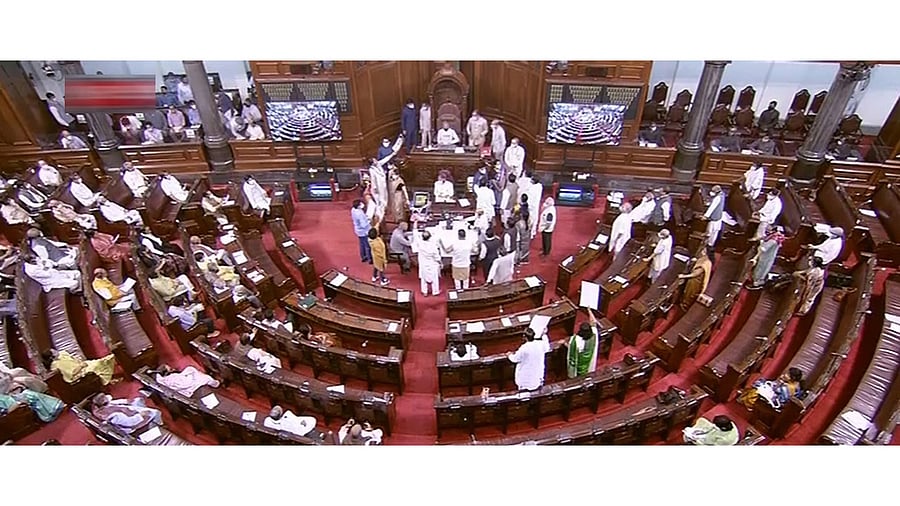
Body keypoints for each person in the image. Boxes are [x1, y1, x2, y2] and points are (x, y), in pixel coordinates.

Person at [91, 393, 162, 434]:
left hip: (130, 412)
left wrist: (127, 401)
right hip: (134, 425)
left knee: (139, 400)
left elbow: (116, 402)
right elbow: (131, 422)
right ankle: (160, 423)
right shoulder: (113, 417)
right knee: (156, 412)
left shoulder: (106, 405)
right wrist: (140, 415)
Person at [738, 368, 805, 410]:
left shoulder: (787, 387)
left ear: (792, 378)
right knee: (761, 383)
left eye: (787, 374)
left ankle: (748, 403)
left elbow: (781, 400)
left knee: (757, 389)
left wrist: (773, 389)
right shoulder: (795, 384)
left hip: (776, 402)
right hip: (775, 395)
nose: (784, 375)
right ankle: (744, 397)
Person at [45, 349, 116, 386]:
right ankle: (105, 382)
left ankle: (107, 380)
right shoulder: (56, 365)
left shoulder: (62, 354)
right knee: (98, 365)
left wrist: (80, 362)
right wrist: (81, 366)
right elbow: (70, 374)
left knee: (102, 361)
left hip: (84, 365)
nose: (56, 351)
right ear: (52, 357)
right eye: (54, 351)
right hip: (79, 373)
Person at [0, 382, 64, 423]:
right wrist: (19, 403)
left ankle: (54, 408)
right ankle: (50, 414)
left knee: (26, 392)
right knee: (29, 395)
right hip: (13, 409)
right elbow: (6, 411)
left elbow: (7, 398)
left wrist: (12, 393)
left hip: (13, 400)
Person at [564, 312, 602, 378]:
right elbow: (593, 322)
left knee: (579, 371)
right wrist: (589, 311)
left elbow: (571, 348)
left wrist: (564, 342)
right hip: (589, 359)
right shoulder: (594, 333)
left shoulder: (577, 340)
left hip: (581, 361)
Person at [154, 364, 220, 397]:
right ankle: (216, 384)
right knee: (207, 378)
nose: (172, 368)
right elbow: (186, 383)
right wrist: (191, 375)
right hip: (188, 389)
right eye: (170, 369)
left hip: (178, 387)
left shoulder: (160, 379)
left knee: (190, 369)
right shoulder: (173, 377)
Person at [415, 228, 442, 296]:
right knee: (434, 279)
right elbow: (437, 257)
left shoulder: (420, 243)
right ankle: (435, 291)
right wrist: (441, 263)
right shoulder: (433, 246)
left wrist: (415, 224)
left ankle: (425, 291)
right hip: (432, 264)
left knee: (423, 278)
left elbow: (415, 235)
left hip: (423, 264)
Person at [703, 185, 725, 252]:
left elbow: (712, 208)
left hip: (715, 219)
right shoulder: (722, 194)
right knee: (714, 232)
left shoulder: (717, 198)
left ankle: (708, 245)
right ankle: (710, 244)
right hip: (718, 218)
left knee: (711, 232)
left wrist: (705, 216)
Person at [351, 199, 372, 264]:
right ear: (359, 206)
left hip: (358, 230)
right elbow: (363, 225)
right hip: (364, 231)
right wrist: (369, 221)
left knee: (362, 244)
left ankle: (363, 256)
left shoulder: (353, 210)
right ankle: (369, 259)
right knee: (367, 245)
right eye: (361, 204)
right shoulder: (359, 214)